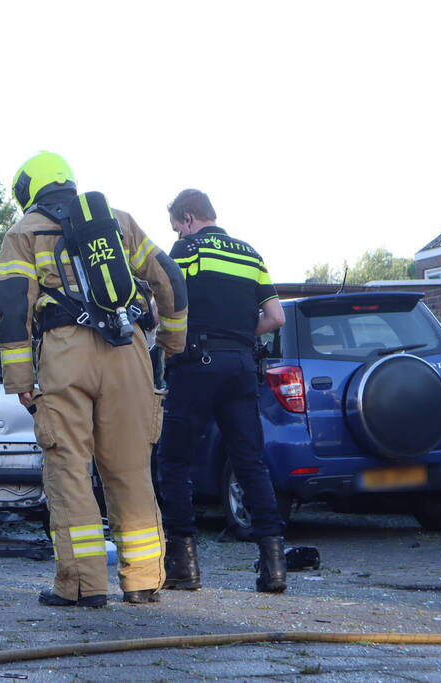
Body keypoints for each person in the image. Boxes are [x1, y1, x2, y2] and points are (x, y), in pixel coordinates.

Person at [0, 151, 188, 607]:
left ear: (29, 189)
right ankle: (143, 581)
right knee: (130, 470)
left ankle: (83, 586)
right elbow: (171, 279)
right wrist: (172, 342)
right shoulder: (117, 221)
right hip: (128, 351)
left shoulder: (24, 232)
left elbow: (13, 306)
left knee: (69, 470)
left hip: (66, 355)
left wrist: (20, 377)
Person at [156, 188, 288, 593]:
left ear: (189, 218)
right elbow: (276, 317)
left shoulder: (186, 250)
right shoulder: (250, 254)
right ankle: (274, 568)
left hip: (196, 365)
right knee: (250, 463)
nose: (177, 233)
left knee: (174, 461)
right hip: (242, 366)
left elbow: (164, 305)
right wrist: (238, 336)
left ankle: (184, 566)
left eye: (177, 226)